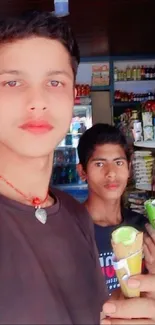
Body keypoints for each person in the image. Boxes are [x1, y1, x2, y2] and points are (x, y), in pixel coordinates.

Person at [0, 11, 108, 324]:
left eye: (54, 82)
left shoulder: (76, 214)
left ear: (74, 97)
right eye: (13, 81)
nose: (38, 101)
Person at [77, 123, 155, 293]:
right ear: (82, 172)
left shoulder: (143, 229)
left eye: (118, 163)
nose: (111, 173)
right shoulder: (68, 230)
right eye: (99, 164)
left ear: (129, 169)